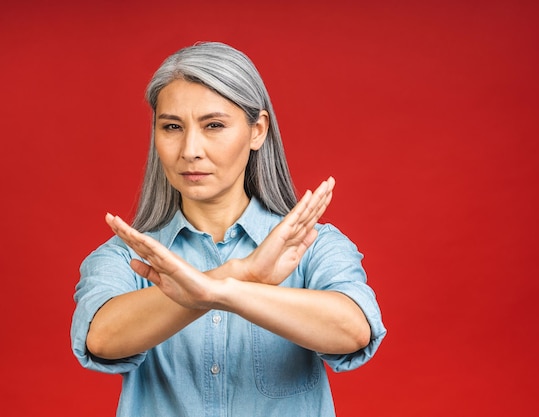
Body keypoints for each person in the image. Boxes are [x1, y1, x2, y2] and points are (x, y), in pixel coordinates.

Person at [70, 41, 386, 417]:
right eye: (172, 126)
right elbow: (101, 338)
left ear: (258, 131)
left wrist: (218, 291)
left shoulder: (312, 245)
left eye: (214, 125)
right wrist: (239, 275)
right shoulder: (128, 256)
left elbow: (353, 330)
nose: (190, 149)